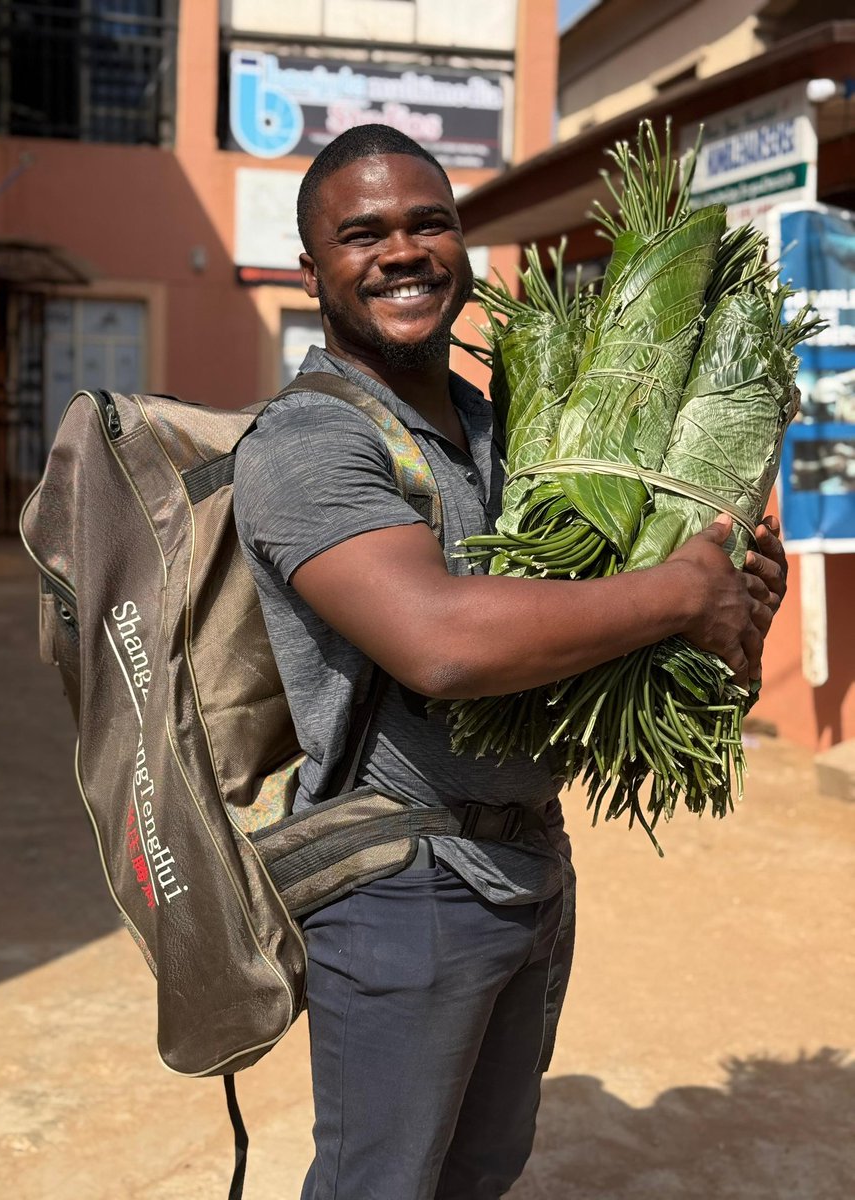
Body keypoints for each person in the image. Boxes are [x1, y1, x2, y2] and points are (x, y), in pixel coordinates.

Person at [233, 125, 786, 1200]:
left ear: (461, 244)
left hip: (529, 862)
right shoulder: (309, 444)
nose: (402, 251)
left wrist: (728, 606)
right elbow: (441, 644)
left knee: (481, 1174)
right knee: (381, 1186)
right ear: (311, 271)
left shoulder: (515, 430)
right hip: (400, 889)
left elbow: (607, 635)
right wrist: (678, 592)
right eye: (363, 234)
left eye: (428, 223)